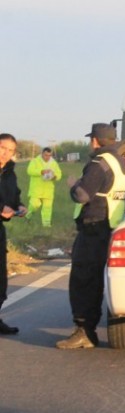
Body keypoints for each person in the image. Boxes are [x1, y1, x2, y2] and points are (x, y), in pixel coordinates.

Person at [56, 123, 125, 349]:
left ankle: (84, 331)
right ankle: (89, 330)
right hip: (111, 226)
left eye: (91, 139)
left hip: (93, 227)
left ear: (96, 141)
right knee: (97, 280)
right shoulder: (121, 163)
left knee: (83, 281)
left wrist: (73, 184)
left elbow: (82, 195)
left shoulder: (99, 164)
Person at [0, 133, 27, 335]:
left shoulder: (10, 172)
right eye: (2, 148)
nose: (5, 153)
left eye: (10, 150)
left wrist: (19, 206)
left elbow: (14, 193)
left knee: (1, 279)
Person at [26, 147, 63, 227]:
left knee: (47, 208)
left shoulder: (54, 163)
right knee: (34, 205)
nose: (48, 157)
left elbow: (59, 174)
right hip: (36, 189)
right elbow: (29, 171)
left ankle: (46, 225)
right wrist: (41, 171)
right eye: (46, 155)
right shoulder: (35, 161)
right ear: (42, 153)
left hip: (48, 190)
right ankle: (27, 216)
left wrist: (55, 177)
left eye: (49, 155)